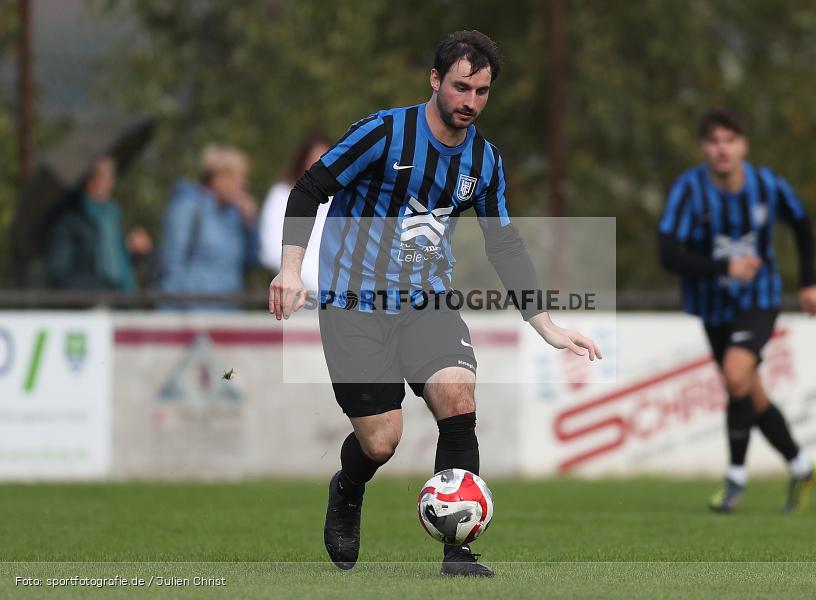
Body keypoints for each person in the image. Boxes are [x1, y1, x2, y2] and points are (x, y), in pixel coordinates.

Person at [269, 31, 601, 577]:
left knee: (458, 399)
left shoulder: (485, 161)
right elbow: (309, 189)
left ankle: (458, 552)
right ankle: (348, 488)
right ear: (435, 80)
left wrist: (543, 322)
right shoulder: (382, 133)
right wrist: (290, 268)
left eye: (482, 91)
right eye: (460, 87)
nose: (470, 102)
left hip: (427, 302)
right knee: (381, 441)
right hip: (354, 304)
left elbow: (504, 243)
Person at [658, 109, 816, 514]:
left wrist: (809, 282)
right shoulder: (689, 190)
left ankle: (735, 479)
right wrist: (724, 267)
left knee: (735, 376)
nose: (723, 148)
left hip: (759, 299)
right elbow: (668, 253)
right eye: (714, 141)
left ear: (743, 146)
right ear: (704, 147)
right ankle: (802, 467)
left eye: (730, 140)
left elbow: (802, 225)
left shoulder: (767, 185)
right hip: (712, 306)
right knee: (749, 391)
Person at [159, 144, 259, 310]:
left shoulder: (236, 215)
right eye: (238, 176)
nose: (243, 183)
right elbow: (172, 267)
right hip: (192, 319)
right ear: (218, 176)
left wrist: (250, 226)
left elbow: (251, 261)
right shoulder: (187, 208)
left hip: (228, 316)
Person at [46, 156, 152, 292]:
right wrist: (102, 289)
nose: (112, 183)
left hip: (121, 306)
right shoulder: (69, 221)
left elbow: (117, 265)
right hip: (92, 308)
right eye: (108, 176)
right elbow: (59, 274)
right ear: (90, 180)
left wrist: (130, 251)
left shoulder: (112, 217)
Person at [258, 133, 333, 293]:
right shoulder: (281, 195)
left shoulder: (339, 200)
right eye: (314, 161)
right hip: (296, 293)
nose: (320, 168)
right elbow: (270, 249)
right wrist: (304, 280)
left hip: (333, 296)